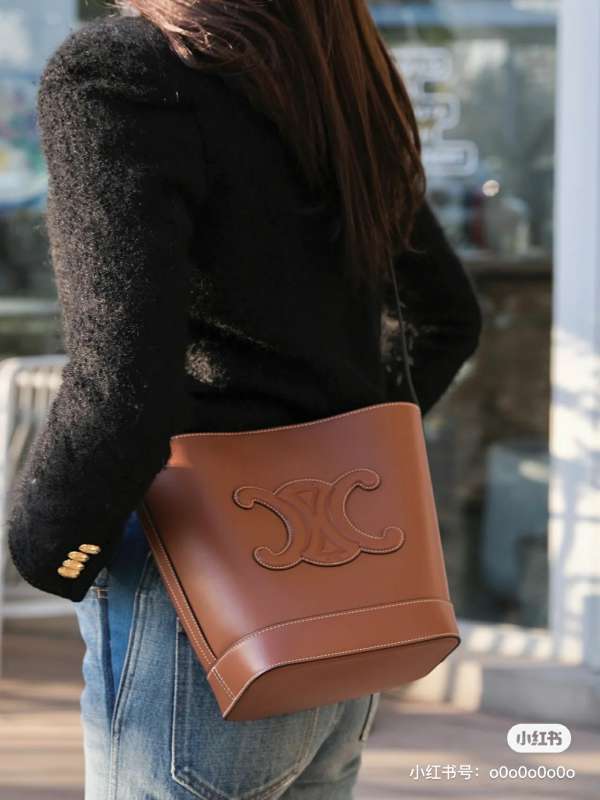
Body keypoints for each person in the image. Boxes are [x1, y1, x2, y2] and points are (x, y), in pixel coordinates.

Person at [6, 1, 483, 797]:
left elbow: (123, 391)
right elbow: (448, 320)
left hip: (201, 600)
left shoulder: (120, 71)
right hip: (340, 615)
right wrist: (339, 462)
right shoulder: (334, 72)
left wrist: (47, 550)